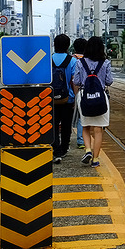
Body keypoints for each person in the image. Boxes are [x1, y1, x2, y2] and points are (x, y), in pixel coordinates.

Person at [73, 36, 113, 168]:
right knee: (98, 129)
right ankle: (95, 159)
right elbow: (109, 81)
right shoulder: (105, 62)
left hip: (84, 96)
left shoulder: (80, 62)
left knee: (85, 126)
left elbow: (77, 82)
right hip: (100, 96)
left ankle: (88, 150)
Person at [52, 34, 78, 164]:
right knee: (67, 124)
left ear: (55, 44)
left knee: (53, 124)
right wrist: (76, 97)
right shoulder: (72, 61)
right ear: (68, 46)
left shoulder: (48, 60)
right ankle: (64, 148)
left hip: (50, 100)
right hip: (68, 99)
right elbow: (74, 82)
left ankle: (55, 150)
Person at [71, 38, 87, 150]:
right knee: (82, 117)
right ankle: (81, 140)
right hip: (81, 93)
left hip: (67, 93)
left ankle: (64, 140)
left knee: (65, 117)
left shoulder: (71, 60)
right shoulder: (87, 60)